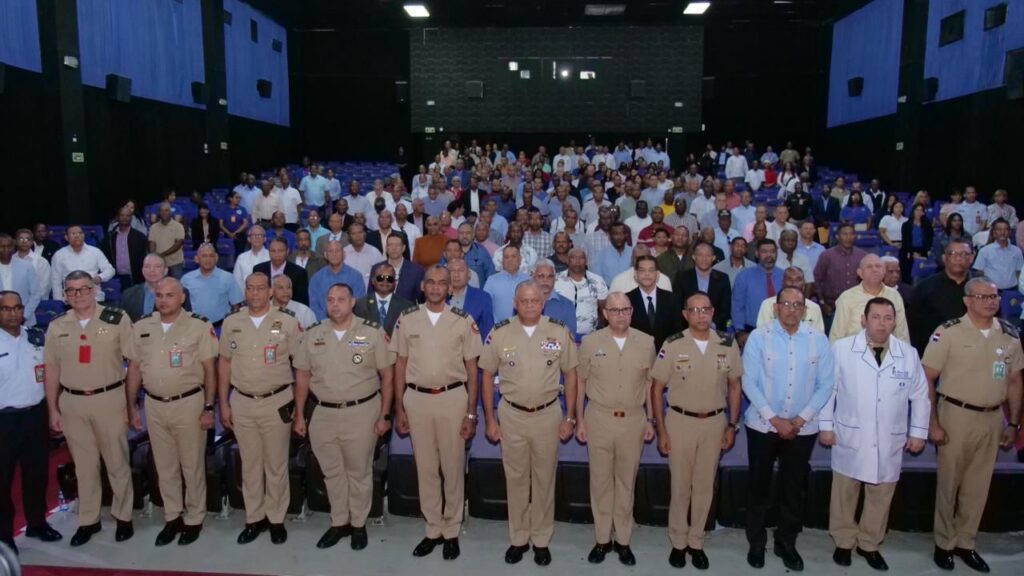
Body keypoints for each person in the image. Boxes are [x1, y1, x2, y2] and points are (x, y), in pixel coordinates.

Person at [819, 297, 929, 571]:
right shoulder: (842, 349)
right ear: (863, 320)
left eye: (888, 318)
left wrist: (918, 433)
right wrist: (826, 426)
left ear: (895, 321)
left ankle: (869, 544)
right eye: (876, 317)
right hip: (850, 434)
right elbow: (827, 390)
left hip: (890, 437)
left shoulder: (908, 353)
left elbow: (920, 396)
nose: (882, 323)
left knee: (881, 494)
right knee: (845, 492)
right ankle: (843, 542)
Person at [923, 277, 1023, 572]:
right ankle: (943, 543)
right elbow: (927, 377)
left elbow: (1016, 381)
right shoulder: (949, 332)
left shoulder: (1009, 335)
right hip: (956, 414)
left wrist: (1014, 423)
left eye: (994, 297)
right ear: (967, 301)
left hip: (993, 417)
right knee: (949, 483)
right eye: (983, 297)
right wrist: (933, 423)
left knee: (978, 486)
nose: (991, 302)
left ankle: (966, 542)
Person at [479, 281, 578, 566]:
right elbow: (486, 375)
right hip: (511, 415)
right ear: (515, 302)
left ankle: (542, 539)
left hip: (548, 415)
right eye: (524, 301)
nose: (530, 305)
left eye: (535, 300)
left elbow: (571, 374)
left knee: (545, 479)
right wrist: (489, 419)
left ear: (543, 302)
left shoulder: (558, 331)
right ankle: (519, 538)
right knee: (516, 479)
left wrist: (570, 416)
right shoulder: (499, 333)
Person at [292, 283, 394, 551]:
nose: (335, 304)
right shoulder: (313, 334)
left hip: (361, 411)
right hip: (322, 412)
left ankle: (359, 524)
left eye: (341, 299)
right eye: (330, 299)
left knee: (359, 472)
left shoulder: (372, 332)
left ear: (352, 303)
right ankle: (339, 522)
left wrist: (385, 414)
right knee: (331, 472)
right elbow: (302, 376)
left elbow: (387, 376)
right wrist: (299, 415)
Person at [391, 266, 482, 560]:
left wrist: (471, 413)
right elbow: (400, 365)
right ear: (422, 287)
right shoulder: (407, 320)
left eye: (441, 283)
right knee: (426, 468)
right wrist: (399, 408)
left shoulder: (462, 321)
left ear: (449, 289)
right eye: (430, 282)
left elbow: (472, 370)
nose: (435, 287)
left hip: (452, 398)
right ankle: (433, 529)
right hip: (416, 399)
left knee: (453, 466)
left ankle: (452, 529)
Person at [741, 287, 834, 571]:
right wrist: (776, 420)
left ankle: (786, 543)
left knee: (793, 488)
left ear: (805, 310)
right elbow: (749, 382)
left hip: (802, 429)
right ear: (775, 308)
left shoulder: (818, 340)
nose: (792, 309)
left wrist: (799, 419)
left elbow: (826, 384)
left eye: (797, 305)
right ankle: (756, 543)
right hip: (762, 425)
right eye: (786, 304)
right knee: (759, 485)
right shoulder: (759, 337)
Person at [651, 291, 742, 570]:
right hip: (680, 422)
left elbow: (735, 386)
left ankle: (696, 542)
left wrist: (732, 425)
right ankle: (678, 542)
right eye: (695, 310)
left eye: (706, 310)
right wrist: (662, 430)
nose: (701, 315)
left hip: (715, 423)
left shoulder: (727, 344)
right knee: (680, 486)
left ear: (713, 313)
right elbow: (656, 389)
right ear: (685, 314)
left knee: (704, 487)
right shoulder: (673, 344)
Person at [43, 270, 134, 546]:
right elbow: (51, 371)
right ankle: (89, 520)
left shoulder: (117, 319)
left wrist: (131, 404)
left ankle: (124, 516)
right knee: (83, 465)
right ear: (64, 295)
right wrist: (53, 410)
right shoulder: (57, 326)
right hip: (72, 402)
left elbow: (135, 364)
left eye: (83, 289)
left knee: (116, 461)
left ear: (94, 290)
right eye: (71, 290)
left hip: (109, 397)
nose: (77, 295)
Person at [124, 277, 217, 546]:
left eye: (169, 295)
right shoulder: (142, 326)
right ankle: (172, 516)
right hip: (154, 404)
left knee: (191, 465)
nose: (163, 300)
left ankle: (195, 517)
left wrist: (209, 407)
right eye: (159, 295)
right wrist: (131, 405)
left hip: (188, 403)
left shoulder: (199, 326)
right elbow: (134, 370)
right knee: (164, 466)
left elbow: (210, 371)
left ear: (182, 298)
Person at [217, 273, 301, 545]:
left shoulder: (286, 321)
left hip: (277, 401)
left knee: (276, 464)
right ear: (245, 292)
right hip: (241, 401)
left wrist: (299, 408)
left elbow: (300, 366)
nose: (255, 293)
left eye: (260, 289)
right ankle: (254, 518)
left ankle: (276, 518)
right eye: (250, 289)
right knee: (250, 464)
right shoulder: (232, 322)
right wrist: (223, 403)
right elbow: (224, 364)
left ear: (270, 292)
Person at [576, 292, 656, 566]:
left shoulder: (646, 343)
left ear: (632, 312)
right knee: (599, 481)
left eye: (625, 309)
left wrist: (651, 420)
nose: (620, 314)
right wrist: (579, 420)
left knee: (625, 482)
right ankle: (601, 539)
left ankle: (623, 540)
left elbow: (650, 384)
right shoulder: (589, 342)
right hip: (598, 418)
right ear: (605, 314)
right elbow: (581, 383)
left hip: (633, 420)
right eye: (614, 310)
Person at [0, 291, 62, 553]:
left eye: (17, 308)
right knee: (2, 480)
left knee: (37, 473)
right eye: (6, 309)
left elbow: (48, 375)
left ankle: (37, 522)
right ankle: (4, 535)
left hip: (35, 414)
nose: (13, 313)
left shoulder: (36, 337)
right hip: (4, 419)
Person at [907, 240, 972, 354]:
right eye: (952, 253)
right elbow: (913, 326)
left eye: (963, 254)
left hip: (972, 351)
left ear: (971, 258)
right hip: (934, 352)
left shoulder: (982, 289)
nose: (958, 258)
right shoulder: (925, 287)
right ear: (944, 258)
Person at [829, 254, 910, 343]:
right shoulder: (847, 297)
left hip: (888, 351)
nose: (875, 270)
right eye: (869, 267)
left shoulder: (894, 295)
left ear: (883, 271)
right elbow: (836, 336)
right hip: (853, 352)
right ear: (860, 273)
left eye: (878, 266)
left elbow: (902, 334)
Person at [732, 240, 785, 341]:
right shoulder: (744, 276)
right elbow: (737, 306)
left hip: (781, 332)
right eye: (764, 252)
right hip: (752, 333)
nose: (769, 255)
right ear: (757, 253)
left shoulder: (785, 276)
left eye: (772, 252)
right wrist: (739, 331)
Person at [813, 223, 868, 320]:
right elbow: (816, 280)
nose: (848, 237)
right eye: (845, 234)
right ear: (838, 236)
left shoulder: (863, 256)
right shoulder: (827, 255)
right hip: (832, 307)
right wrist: (822, 303)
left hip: (857, 306)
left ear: (855, 236)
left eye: (851, 234)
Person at [181, 244, 243, 325]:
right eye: (204, 256)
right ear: (196, 259)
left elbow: (236, 306)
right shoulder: (186, 279)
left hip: (221, 326)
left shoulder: (228, 278)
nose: (208, 259)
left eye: (211, 256)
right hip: (194, 326)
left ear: (216, 258)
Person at [50, 225, 115, 301]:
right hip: (71, 299)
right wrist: (58, 301)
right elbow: (55, 281)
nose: (77, 236)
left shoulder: (95, 252)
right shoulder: (59, 255)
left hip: (94, 297)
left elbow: (110, 270)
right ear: (66, 237)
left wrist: (100, 277)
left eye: (80, 233)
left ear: (84, 235)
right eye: (73, 234)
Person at [677, 243, 732, 331]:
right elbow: (677, 306)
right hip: (687, 329)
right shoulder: (682, 277)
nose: (704, 259)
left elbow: (725, 308)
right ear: (694, 257)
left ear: (713, 258)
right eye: (700, 255)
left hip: (714, 330)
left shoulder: (723, 278)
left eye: (708, 255)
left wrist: (712, 324)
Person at [554, 248, 608, 337]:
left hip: (590, 336)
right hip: (561, 335)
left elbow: (603, 310)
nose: (577, 261)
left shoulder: (597, 281)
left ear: (586, 261)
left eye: (581, 258)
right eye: (573, 258)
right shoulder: (556, 280)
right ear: (567, 260)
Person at [122, 254, 190, 323]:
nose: (152, 270)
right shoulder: (128, 294)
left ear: (165, 270)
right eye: (147, 266)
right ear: (142, 270)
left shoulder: (180, 292)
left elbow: (186, 321)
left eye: (157, 266)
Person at [309, 241, 366, 321]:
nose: (334, 254)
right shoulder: (316, 278)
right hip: (324, 326)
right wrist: (328, 323)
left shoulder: (356, 276)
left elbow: (359, 304)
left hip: (350, 325)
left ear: (344, 254)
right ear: (325, 255)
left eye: (337, 251)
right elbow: (314, 306)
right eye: (331, 251)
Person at [756, 267, 825, 332]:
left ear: (803, 283)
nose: (793, 283)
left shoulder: (814, 308)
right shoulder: (767, 305)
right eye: (789, 279)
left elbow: (818, 337)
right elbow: (761, 334)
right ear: (782, 282)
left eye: (798, 280)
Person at [353, 263, 413, 336]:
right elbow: (356, 333)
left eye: (389, 279)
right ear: (373, 280)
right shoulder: (360, 304)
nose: (385, 281)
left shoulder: (406, 306)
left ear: (395, 282)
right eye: (380, 278)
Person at [0, 235, 42, 328]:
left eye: (9, 246)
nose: (6, 249)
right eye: (2, 246)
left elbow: (36, 294)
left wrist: (23, 316)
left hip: (24, 321)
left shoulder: (26, 266)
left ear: (13, 247)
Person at [253, 238, 309, 306]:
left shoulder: (299, 273)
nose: (277, 254)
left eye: (280, 251)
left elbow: (301, 301)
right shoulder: (259, 269)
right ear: (269, 252)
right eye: (273, 251)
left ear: (287, 251)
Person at [483, 245, 531, 323]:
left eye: (513, 256)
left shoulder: (528, 280)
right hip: (498, 329)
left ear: (520, 259)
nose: (510, 260)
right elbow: (485, 306)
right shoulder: (492, 281)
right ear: (502, 261)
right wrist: (497, 326)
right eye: (506, 257)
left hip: (524, 328)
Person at [371, 235, 424, 303]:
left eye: (397, 245)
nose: (394, 248)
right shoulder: (376, 268)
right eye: (390, 245)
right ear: (386, 248)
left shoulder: (417, 271)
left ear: (404, 248)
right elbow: (371, 296)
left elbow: (420, 299)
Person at [106, 206, 149, 290]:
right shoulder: (110, 237)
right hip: (116, 279)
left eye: (127, 215)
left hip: (135, 279)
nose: (125, 218)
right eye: (122, 215)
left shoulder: (140, 237)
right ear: (117, 217)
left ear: (131, 218)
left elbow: (145, 257)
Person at [972, 218, 1022, 290]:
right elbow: (979, 272)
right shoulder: (984, 251)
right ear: (994, 232)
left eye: (1005, 229)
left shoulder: (1017, 250)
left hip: (1013, 290)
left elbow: (1019, 272)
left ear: (1009, 232)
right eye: (999, 229)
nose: (1002, 232)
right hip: (992, 291)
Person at [148, 202, 187, 279]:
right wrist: (154, 256)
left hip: (176, 264)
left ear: (170, 212)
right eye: (161, 210)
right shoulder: (153, 227)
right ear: (158, 212)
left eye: (166, 210)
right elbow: (152, 244)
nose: (164, 213)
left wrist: (162, 255)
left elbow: (178, 245)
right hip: (160, 265)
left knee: (176, 288)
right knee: (161, 288)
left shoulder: (178, 226)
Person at [899, 203, 933, 284]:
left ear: (923, 212)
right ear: (913, 211)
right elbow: (905, 241)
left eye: (921, 210)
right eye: (917, 210)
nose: (918, 212)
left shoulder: (927, 225)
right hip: (908, 252)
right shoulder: (906, 225)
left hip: (923, 252)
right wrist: (913, 253)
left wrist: (921, 254)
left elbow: (929, 241)